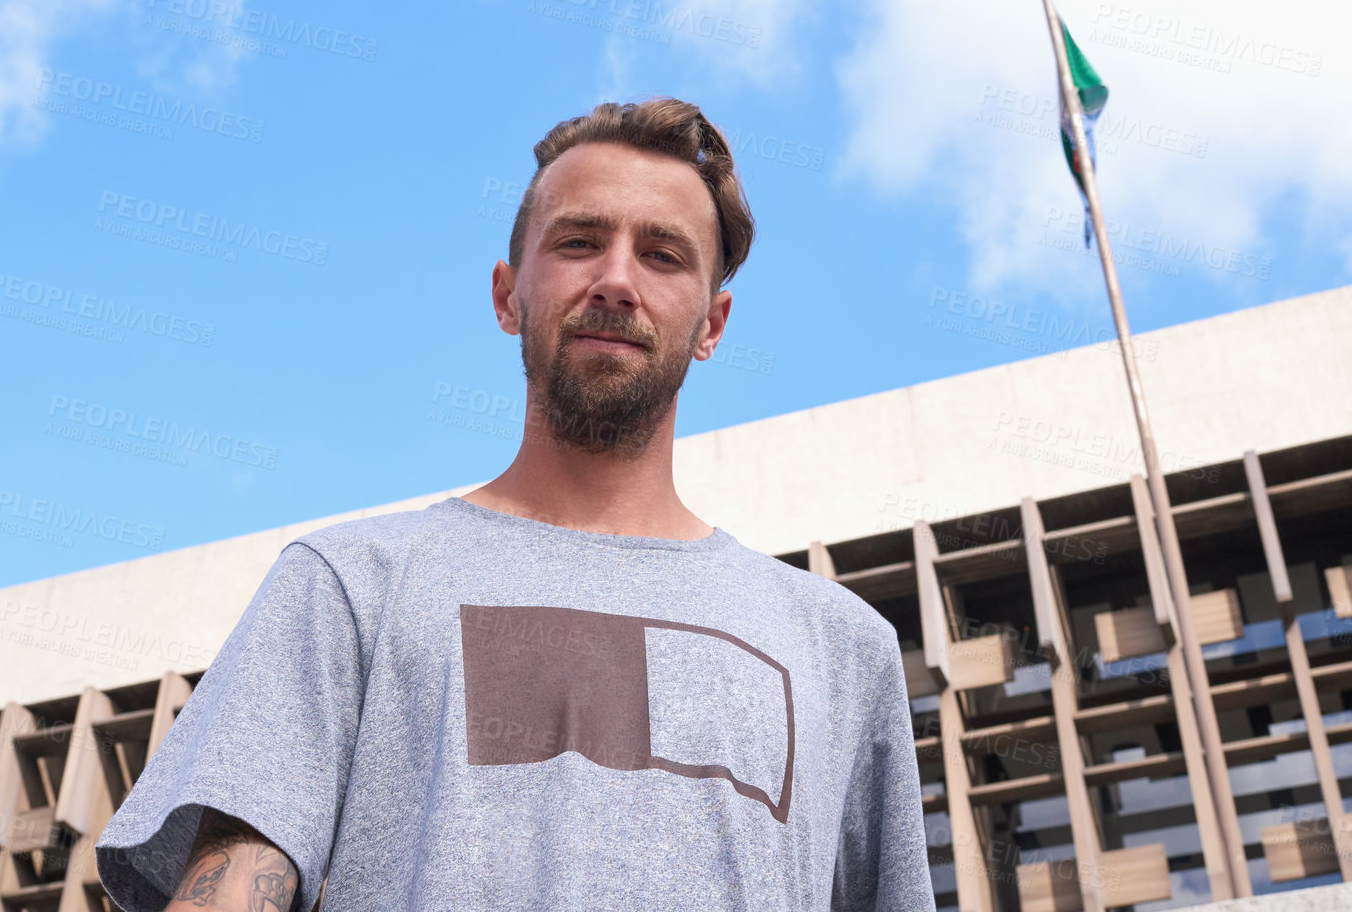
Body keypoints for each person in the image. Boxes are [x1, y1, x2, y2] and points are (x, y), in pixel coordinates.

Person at [93, 97, 932, 911]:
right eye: (579, 242)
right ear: (507, 295)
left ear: (712, 324)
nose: (615, 279)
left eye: (662, 255)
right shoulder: (350, 587)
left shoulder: (840, 649)